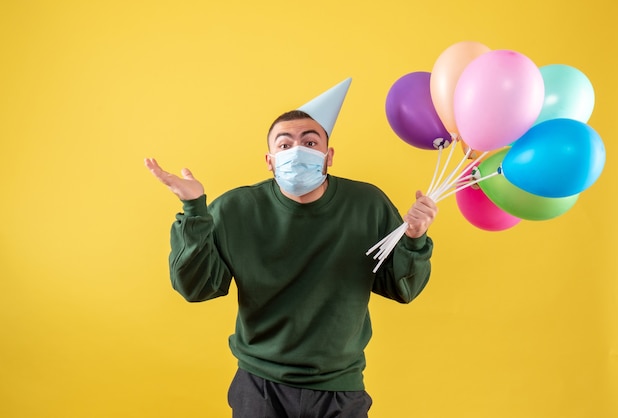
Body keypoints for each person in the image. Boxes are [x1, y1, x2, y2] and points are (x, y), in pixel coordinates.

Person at [144, 79, 438, 418]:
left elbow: (402, 287)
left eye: (310, 142)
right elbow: (196, 287)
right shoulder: (235, 209)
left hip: (340, 387)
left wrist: (414, 238)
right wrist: (194, 208)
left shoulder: (367, 204)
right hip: (261, 385)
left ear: (328, 156)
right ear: (269, 160)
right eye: (285, 145)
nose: (297, 150)